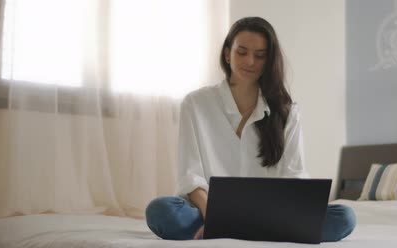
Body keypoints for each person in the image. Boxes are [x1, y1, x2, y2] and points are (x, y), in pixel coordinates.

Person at [145, 16, 356, 242]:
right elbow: (191, 176)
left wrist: (290, 212)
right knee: (161, 210)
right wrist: (216, 218)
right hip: (209, 211)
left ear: (269, 60)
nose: (251, 62)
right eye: (242, 52)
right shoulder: (195, 104)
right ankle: (248, 232)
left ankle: (237, 232)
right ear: (228, 54)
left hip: (272, 215)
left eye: (260, 55)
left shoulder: (287, 112)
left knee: (344, 216)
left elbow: (295, 176)